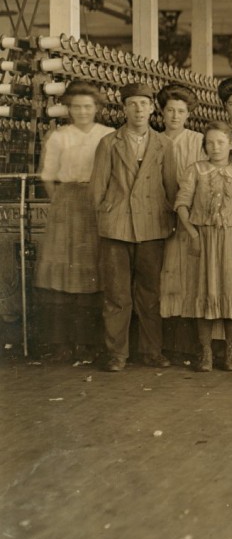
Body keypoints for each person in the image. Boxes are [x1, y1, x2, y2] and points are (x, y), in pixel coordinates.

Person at [91, 82, 177, 372]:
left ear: (152, 108)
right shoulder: (109, 143)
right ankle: (117, 354)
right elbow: (97, 189)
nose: (139, 109)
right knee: (117, 294)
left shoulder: (164, 144)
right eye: (132, 104)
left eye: (144, 103)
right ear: (124, 108)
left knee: (150, 293)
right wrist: (107, 215)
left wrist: (171, 220)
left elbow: (171, 186)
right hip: (117, 227)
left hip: (152, 226)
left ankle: (152, 352)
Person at [35, 81, 113, 363]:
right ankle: (61, 344)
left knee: (92, 272)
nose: (82, 112)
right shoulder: (59, 136)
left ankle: (89, 344)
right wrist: (62, 203)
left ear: (97, 109)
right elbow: (47, 175)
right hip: (66, 205)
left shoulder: (108, 135)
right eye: (76, 107)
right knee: (61, 275)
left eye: (87, 107)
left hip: (96, 204)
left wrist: (96, 200)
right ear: (68, 109)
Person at [175, 122, 232, 372]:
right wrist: (192, 232)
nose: (215, 147)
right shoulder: (195, 170)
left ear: (231, 145)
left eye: (220, 142)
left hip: (231, 237)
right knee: (203, 291)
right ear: (204, 145)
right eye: (210, 142)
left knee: (231, 292)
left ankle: (229, 354)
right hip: (202, 238)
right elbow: (182, 203)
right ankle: (205, 353)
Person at [156, 84, 206, 361]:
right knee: (166, 276)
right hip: (159, 218)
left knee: (190, 276)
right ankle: (168, 344)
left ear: (189, 114)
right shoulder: (154, 140)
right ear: (161, 112)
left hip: (190, 219)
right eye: (170, 110)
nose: (175, 116)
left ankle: (193, 345)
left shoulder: (198, 141)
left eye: (181, 111)